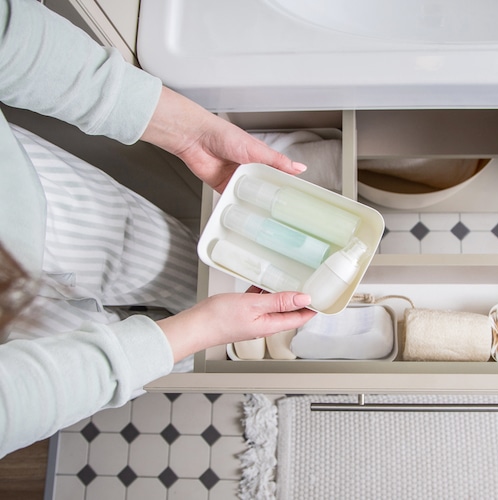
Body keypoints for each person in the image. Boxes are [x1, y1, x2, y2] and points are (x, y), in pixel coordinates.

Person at [0, 0, 316, 458]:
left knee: (181, 275)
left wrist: (188, 133)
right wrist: (198, 331)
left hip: (34, 194)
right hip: (15, 337)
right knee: (173, 343)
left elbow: (12, 38)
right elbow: (19, 400)